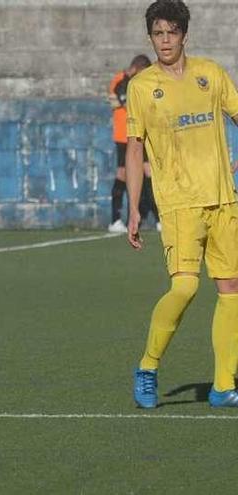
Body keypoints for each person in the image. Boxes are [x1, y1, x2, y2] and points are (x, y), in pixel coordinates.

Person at [127, 1, 238, 409]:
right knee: (186, 286)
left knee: (232, 289)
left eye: (172, 32)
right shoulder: (141, 87)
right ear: (151, 38)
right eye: (158, 33)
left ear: (184, 34)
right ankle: (148, 365)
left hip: (223, 200)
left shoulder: (211, 73)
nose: (166, 40)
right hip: (178, 204)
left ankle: (224, 385)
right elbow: (135, 149)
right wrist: (136, 207)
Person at [108, 54, 158, 232]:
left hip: (139, 134)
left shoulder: (137, 84)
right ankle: (115, 219)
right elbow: (125, 102)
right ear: (136, 68)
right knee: (122, 174)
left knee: (148, 171)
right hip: (123, 135)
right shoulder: (120, 80)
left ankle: (155, 217)